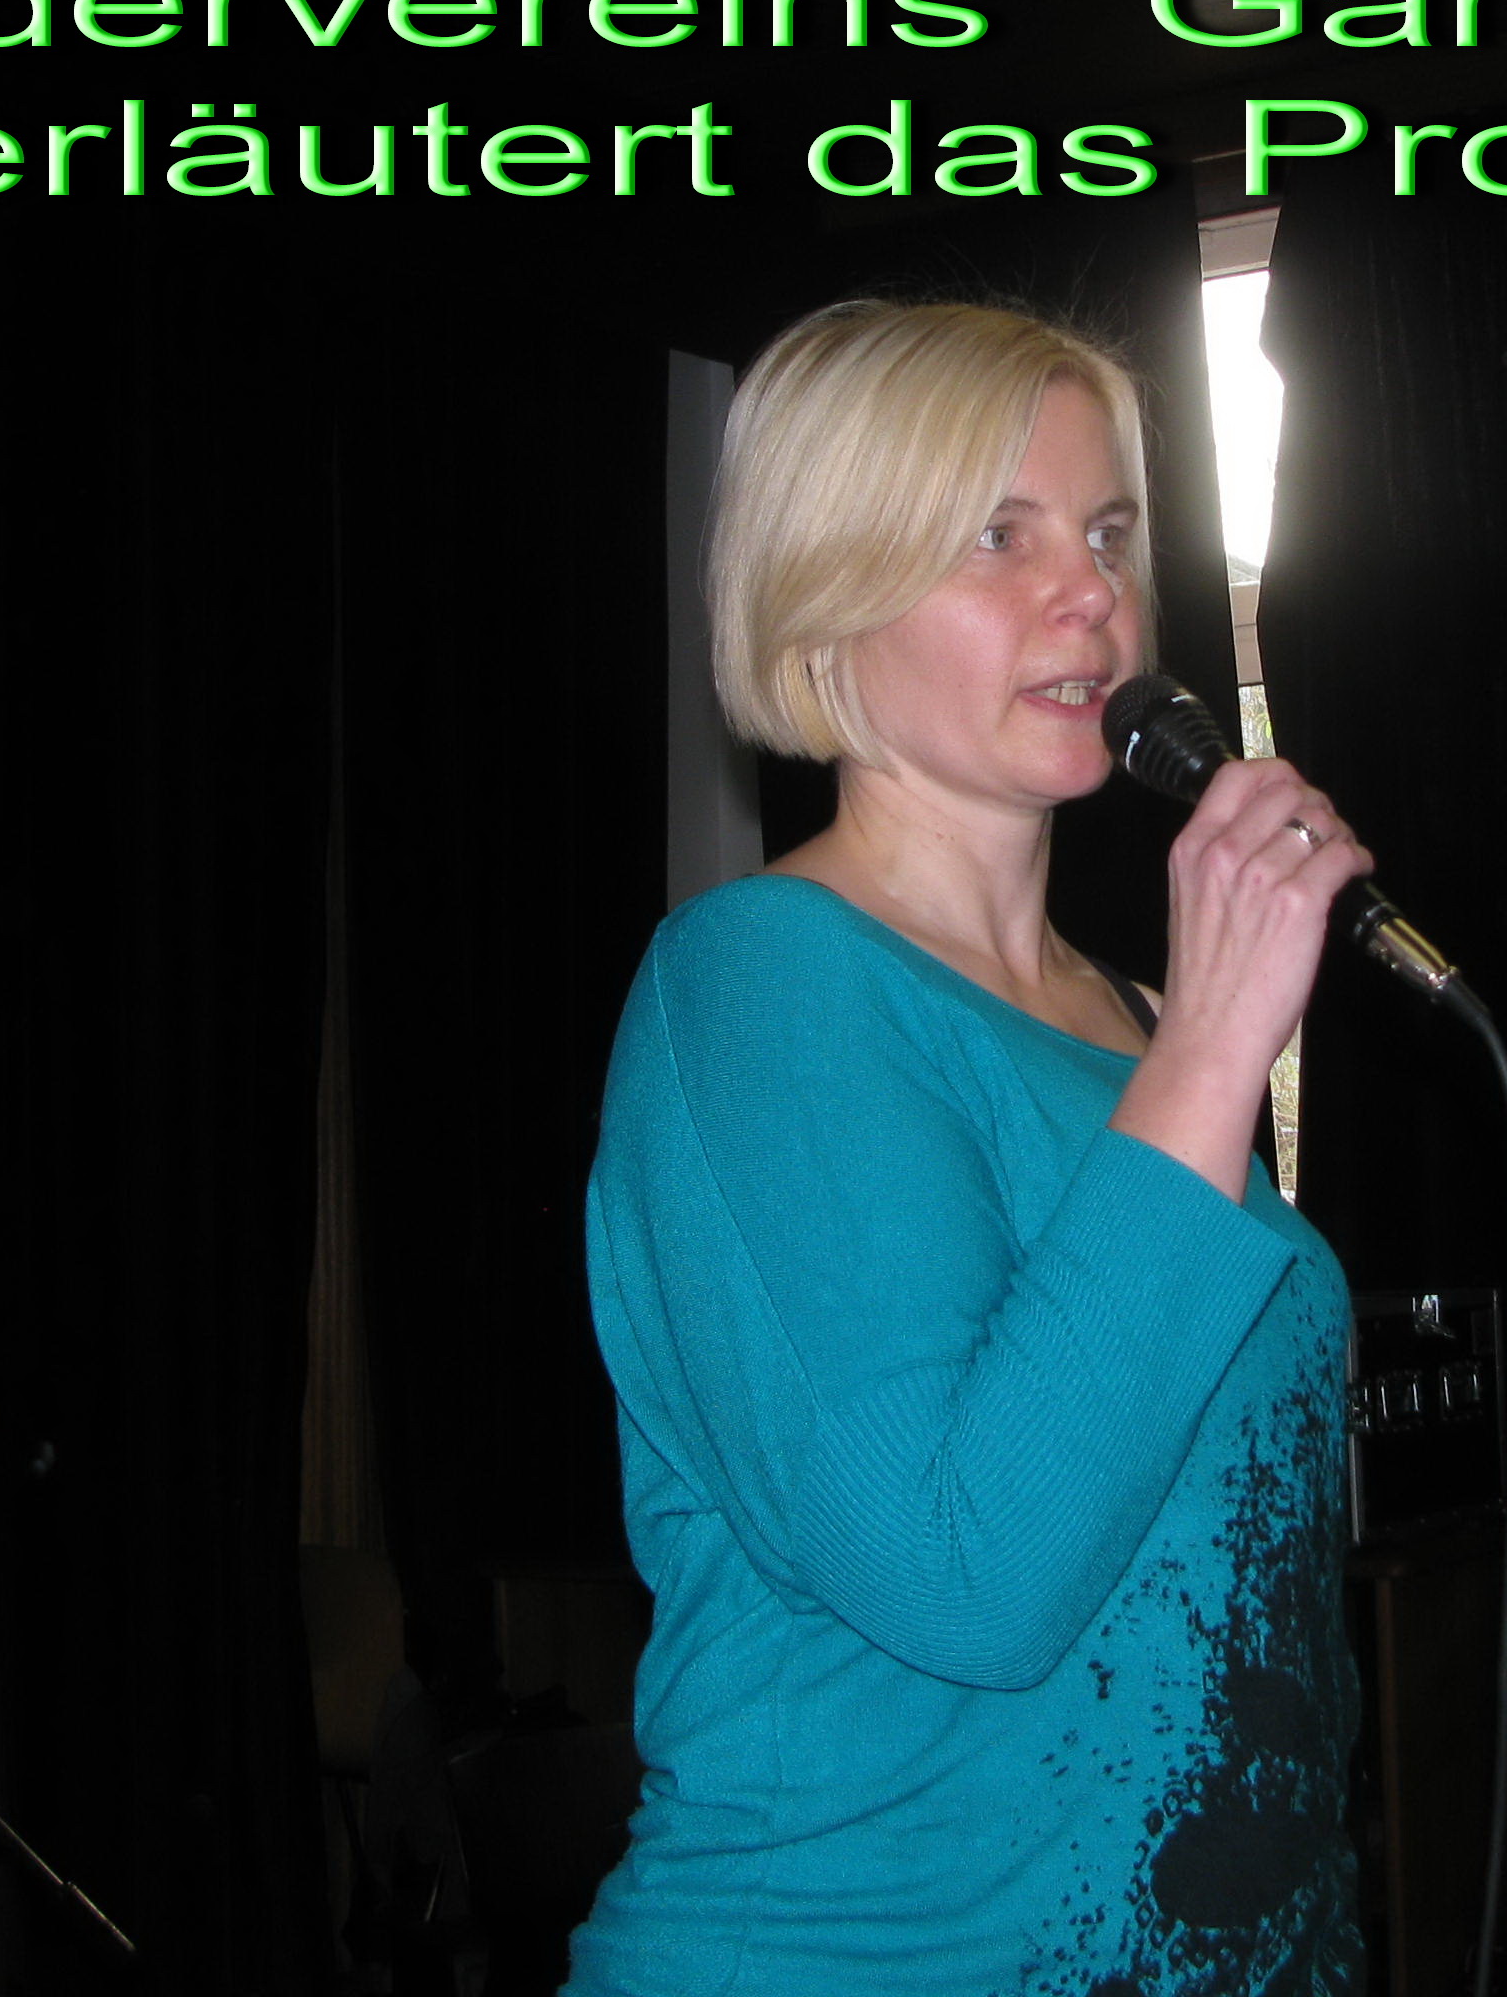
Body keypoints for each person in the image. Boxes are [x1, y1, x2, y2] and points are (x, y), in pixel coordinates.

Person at [568, 299, 1364, 1997]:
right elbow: (964, 1572)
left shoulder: (1145, 1025)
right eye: (999, 536)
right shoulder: (759, 984)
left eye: (1108, 534)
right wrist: (1222, 1047)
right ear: (828, 588)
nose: (1089, 594)